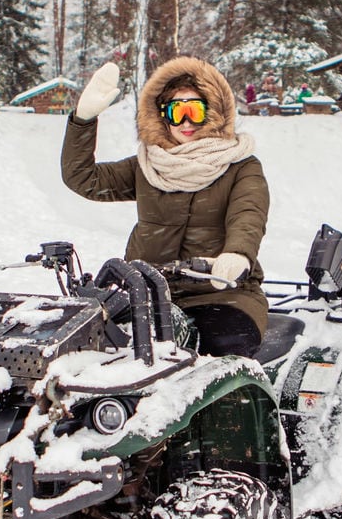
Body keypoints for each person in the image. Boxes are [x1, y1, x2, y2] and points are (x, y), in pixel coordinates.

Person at [61, 57, 269, 358]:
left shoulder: (241, 167)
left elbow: (248, 215)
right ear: (161, 116)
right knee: (97, 345)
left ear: (213, 113)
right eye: (176, 111)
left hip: (221, 294)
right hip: (145, 294)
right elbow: (84, 178)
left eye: (194, 111)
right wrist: (83, 120)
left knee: (223, 347)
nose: (185, 122)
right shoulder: (146, 166)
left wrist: (237, 253)